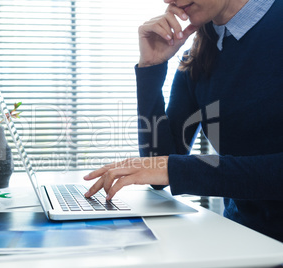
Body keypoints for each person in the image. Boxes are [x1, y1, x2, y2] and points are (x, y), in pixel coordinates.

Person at [84, 0, 283, 243]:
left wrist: (174, 169)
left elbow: (167, 168)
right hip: (245, 240)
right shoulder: (200, 55)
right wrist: (151, 68)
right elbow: (159, 161)